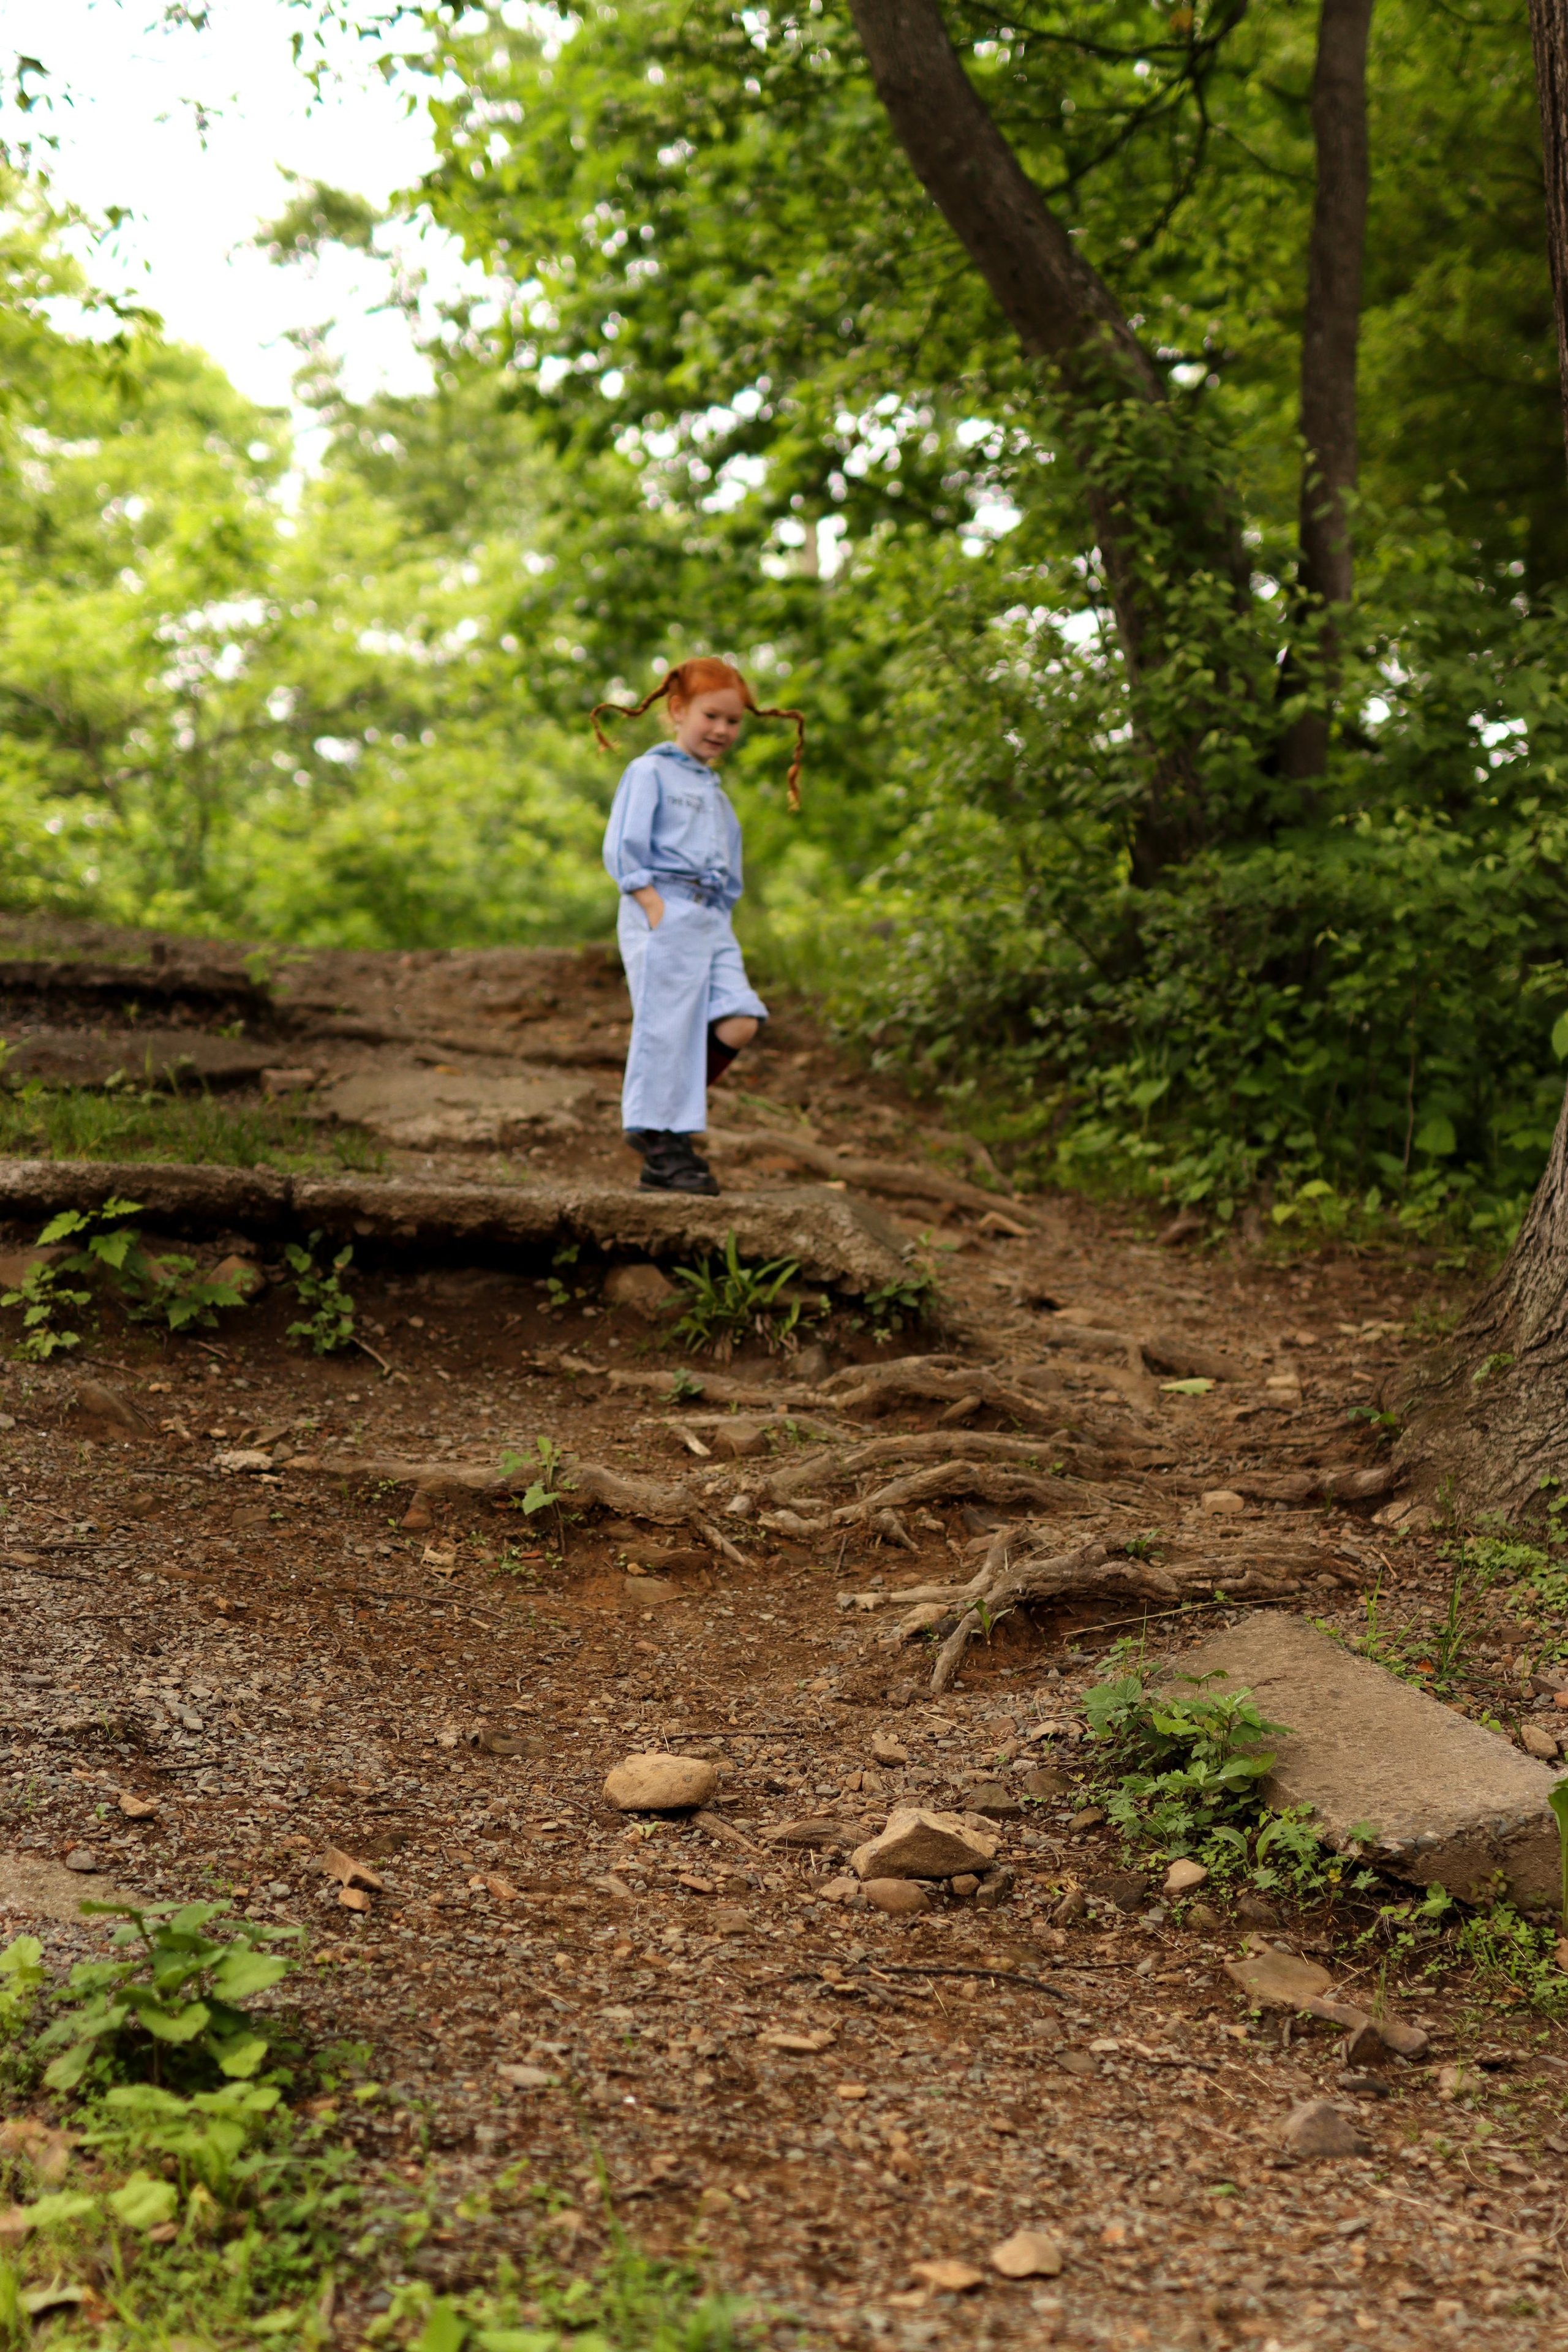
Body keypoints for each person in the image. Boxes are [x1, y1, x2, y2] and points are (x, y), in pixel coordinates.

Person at [595, 657, 804, 1195]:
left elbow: (728, 861)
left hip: (711, 918)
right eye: (712, 716)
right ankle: (663, 1140)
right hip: (662, 907)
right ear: (679, 710)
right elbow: (623, 843)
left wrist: (720, 916)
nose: (722, 731)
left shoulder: (713, 790)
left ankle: (663, 1120)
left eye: (733, 722)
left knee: (740, 1020)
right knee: (666, 1027)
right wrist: (651, 902)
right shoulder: (650, 771)